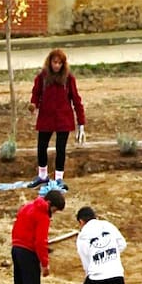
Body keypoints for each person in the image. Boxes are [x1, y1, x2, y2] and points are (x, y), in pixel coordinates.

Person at [10, 189, 66, 284]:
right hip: (28, 253)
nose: (53, 213)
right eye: (54, 209)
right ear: (49, 203)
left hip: (16, 249)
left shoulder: (28, 207)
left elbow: (16, 228)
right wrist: (45, 264)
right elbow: (40, 242)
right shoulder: (42, 215)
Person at [27, 49, 86, 191]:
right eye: (55, 62)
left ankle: (59, 178)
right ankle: (42, 175)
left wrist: (81, 123)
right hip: (46, 117)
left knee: (61, 149)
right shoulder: (42, 77)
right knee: (41, 147)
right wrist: (33, 104)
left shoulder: (68, 78)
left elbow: (76, 100)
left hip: (63, 118)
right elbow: (36, 93)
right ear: (50, 62)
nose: (57, 65)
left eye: (60, 63)